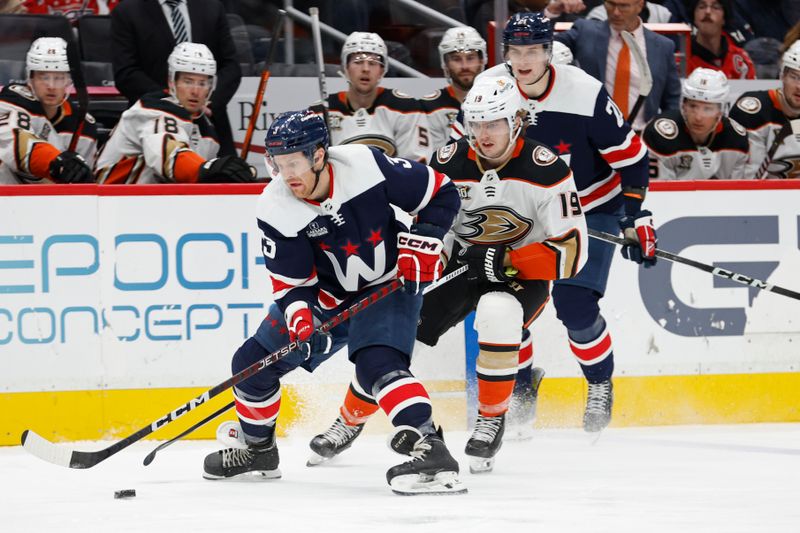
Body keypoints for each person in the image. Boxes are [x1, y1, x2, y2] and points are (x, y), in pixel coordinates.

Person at [304, 76, 588, 473]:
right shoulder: (449, 159)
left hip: (520, 276)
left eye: (494, 123)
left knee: (497, 314)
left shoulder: (548, 170)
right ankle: (348, 421)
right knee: (396, 341)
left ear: (516, 121)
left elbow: (573, 252)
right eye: (477, 123)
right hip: (460, 268)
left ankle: (491, 418)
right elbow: (433, 225)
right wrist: (427, 257)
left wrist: (504, 259)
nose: (483, 134)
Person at [202, 109, 465, 495]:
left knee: (378, 364)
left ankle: (431, 447)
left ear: (320, 155)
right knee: (250, 365)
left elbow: (442, 192)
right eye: (278, 163)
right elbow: (294, 285)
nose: (287, 174)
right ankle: (259, 450)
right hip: (327, 297)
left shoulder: (365, 164)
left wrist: (424, 240)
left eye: (295, 162)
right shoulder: (275, 205)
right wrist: (301, 320)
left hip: (387, 285)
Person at [480, 12, 656, 434]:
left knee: (575, 307)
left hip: (591, 208)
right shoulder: (488, 87)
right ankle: (521, 388)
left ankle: (598, 385)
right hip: (522, 214)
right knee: (506, 309)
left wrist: (634, 216)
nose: (523, 60)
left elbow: (632, 161)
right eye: (515, 50)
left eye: (533, 50)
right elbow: (465, 151)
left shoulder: (584, 93)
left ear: (548, 52)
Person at [96, 43, 254, 184]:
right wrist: (210, 169)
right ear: (172, 82)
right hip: (111, 202)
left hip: (150, 206)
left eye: (202, 83)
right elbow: (170, 158)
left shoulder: (207, 130)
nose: (195, 91)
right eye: (188, 81)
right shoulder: (152, 110)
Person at [111, 0, 241, 156]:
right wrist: (171, 103)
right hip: (152, 123)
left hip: (210, 123)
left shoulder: (212, 6)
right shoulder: (127, 10)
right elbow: (126, 73)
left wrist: (206, 99)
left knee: (229, 176)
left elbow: (231, 66)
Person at [554, 0, 681, 130]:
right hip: (592, 134)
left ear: (640, 6)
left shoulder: (663, 46)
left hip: (641, 136)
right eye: (611, 4)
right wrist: (552, 12)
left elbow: (672, 100)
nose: (615, 12)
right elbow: (543, 45)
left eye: (623, 6)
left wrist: (665, 134)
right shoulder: (585, 31)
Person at [310, 32, 430, 162]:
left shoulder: (406, 108)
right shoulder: (319, 112)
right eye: (358, 61)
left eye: (373, 63)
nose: (366, 69)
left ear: (382, 70)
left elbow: (418, 166)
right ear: (346, 67)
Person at [0, 37, 96, 185]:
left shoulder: (84, 126)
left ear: (68, 80)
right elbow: (17, 145)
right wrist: (56, 163)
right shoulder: (12, 101)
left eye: (58, 78)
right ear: (30, 78)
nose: (51, 85)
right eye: (43, 77)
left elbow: (83, 184)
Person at [643, 68, 749, 179]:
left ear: (720, 112)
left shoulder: (736, 138)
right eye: (693, 106)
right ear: (683, 105)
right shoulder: (659, 135)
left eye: (707, 109)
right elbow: (658, 192)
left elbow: (738, 192)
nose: (698, 117)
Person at [729, 41, 800, 179]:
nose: (799, 86)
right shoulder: (753, 111)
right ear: (782, 76)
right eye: (794, 77)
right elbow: (749, 181)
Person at [419, 26, 487, 150]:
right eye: (456, 59)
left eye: (470, 58)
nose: (465, 66)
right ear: (445, 64)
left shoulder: (498, 102)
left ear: (482, 60)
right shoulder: (427, 106)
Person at [687, 0, 756, 80]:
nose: (708, 12)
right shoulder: (681, 60)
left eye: (715, 7)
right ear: (694, 17)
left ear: (724, 19)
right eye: (702, 7)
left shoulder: (740, 60)